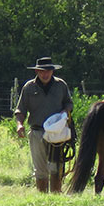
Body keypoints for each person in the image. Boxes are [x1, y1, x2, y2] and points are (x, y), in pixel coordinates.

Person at [14, 56, 73, 193]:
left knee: (56, 168)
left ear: (52, 71)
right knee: (40, 170)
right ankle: (43, 199)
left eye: (47, 71)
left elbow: (69, 103)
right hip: (37, 132)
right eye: (41, 71)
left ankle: (56, 198)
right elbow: (20, 110)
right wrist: (19, 125)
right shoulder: (29, 87)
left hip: (57, 134)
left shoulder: (61, 85)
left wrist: (65, 112)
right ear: (36, 72)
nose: (45, 74)